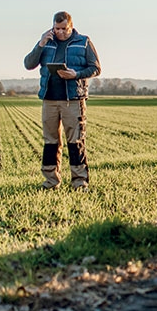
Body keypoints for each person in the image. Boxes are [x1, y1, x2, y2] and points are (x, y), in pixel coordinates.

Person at [24, 11, 101, 191]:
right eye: (56, 28)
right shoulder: (46, 42)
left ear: (71, 27)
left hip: (73, 100)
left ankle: (79, 183)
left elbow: (96, 68)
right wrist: (41, 44)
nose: (60, 32)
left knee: (75, 142)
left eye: (64, 29)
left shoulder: (83, 42)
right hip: (49, 99)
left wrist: (76, 74)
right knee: (50, 143)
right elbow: (28, 64)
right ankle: (51, 182)